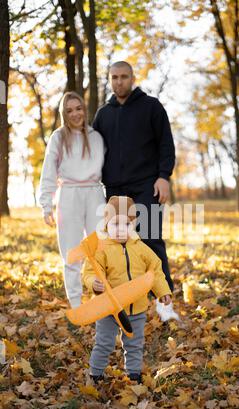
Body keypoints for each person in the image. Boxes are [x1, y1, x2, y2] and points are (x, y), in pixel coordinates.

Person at [92, 61, 175, 292]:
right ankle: (130, 293)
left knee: (149, 239)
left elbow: (166, 144)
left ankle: (163, 296)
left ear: (133, 78)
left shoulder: (151, 107)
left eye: (124, 77)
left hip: (147, 185)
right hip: (114, 189)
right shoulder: (103, 114)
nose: (119, 82)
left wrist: (163, 176)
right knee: (118, 244)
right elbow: (94, 150)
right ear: (110, 80)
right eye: (115, 77)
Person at [82, 196, 172, 384]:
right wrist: (93, 283)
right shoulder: (102, 249)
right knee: (104, 343)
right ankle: (95, 374)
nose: (121, 228)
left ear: (134, 224)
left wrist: (162, 291)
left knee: (134, 344)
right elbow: (90, 272)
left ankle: (133, 375)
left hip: (136, 309)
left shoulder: (141, 249)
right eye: (115, 224)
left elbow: (155, 270)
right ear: (106, 225)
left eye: (126, 223)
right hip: (109, 309)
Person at [39, 91, 106, 308]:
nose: (75, 114)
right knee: (71, 250)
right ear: (63, 114)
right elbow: (48, 171)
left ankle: (102, 295)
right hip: (68, 194)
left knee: (100, 247)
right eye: (69, 110)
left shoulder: (96, 137)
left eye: (78, 108)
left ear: (84, 110)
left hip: (95, 193)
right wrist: (46, 204)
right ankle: (76, 303)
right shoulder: (58, 137)